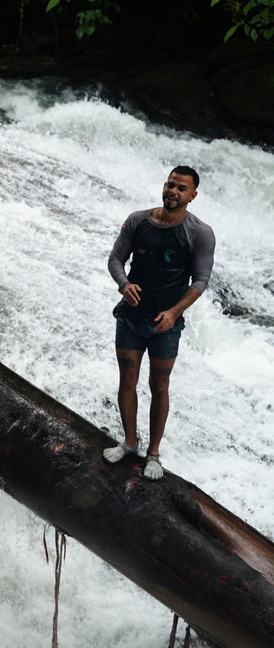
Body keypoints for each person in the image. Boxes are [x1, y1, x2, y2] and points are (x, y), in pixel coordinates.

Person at [103, 166, 215, 480]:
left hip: (165, 325)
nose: (173, 192)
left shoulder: (199, 233)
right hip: (130, 318)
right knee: (127, 381)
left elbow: (200, 280)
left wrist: (175, 312)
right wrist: (124, 284)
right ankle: (129, 442)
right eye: (170, 185)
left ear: (193, 195)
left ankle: (153, 453)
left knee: (160, 387)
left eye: (181, 188)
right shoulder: (137, 221)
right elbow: (115, 258)